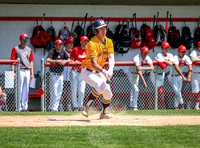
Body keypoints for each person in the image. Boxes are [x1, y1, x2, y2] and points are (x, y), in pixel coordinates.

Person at [80, 19, 115, 119]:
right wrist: (104, 71)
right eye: (101, 29)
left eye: (105, 28)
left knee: (108, 93)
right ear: (96, 31)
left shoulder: (108, 41)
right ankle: (86, 107)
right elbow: (93, 64)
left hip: (98, 72)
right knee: (101, 85)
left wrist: (111, 70)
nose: (104, 30)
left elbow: (111, 57)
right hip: (88, 71)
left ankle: (104, 113)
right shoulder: (92, 43)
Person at [46, 39, 73, 111]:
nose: (60, 46)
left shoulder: (63, 51)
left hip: (61, 74)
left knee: (59, 92)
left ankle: (55, 107)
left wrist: (65, 61)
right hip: (53, 74)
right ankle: (52, 106)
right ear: (55, 45)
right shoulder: (52, 51)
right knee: (54, 92)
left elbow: (69, 59)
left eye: (61, 44)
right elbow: (48, 60)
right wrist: (57, 61)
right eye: (58, 45)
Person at [10, 33, 34, 112]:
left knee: (26, 89)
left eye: (26, 39)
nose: (25, 41)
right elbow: (12, 61)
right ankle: (18, 106)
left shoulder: (29, 49)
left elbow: (31, 62)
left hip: (27, 70)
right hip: (19, 69)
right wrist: (13, 72)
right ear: (20, 39)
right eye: (24, 39)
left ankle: (25, 107)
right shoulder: (16, 48)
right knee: (19, 88)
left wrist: (32, 73)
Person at [150, 42, 173, 109]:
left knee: (159, 92)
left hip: (162, 74)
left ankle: (156, 106)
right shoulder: (159, 55)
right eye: (165, 48)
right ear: (162, 49)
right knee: (160, 91)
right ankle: (163, 106)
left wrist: (164, 61)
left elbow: (171, 63)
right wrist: (167, 62)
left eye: (168, 48)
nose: (167, 49)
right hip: (155, 74)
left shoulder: (170, 55)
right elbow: (162, 66)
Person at [169, 45, 192, 109]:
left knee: (178, 92)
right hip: (172, 77)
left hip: (179, 77)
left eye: (184, 52)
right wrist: (184, 77)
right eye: (182, 52)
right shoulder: (175, 57)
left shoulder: (186, 57)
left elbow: (190, 67)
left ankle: (176, 107)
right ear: (178, 51)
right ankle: (182, 104)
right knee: (177, 92)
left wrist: (189, 77)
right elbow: (176, 68)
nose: (183, 53)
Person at [70, 36, 88, 111]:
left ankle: (80, 105)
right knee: (74, 90)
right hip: (75, 71)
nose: (85, 42)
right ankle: (75, 106)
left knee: (81, 91)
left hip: (83, 72)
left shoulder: (89, 50)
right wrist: (74, 62)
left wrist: (80, 63)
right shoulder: (75, 49)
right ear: (80, 42)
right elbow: (70, 60)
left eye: (86, 41)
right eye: (84, 41)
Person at [59, 37, 74, 111]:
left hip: (71, 75)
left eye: (72, 43)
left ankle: (69, 106)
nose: (71, 45)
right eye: (69, 43)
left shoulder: (74, 51)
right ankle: (60, 106)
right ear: (66, 44)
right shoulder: (63, 51)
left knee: (69, 91)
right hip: (63, 74)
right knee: (61, 90)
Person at [189, 41, 200, 110]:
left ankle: (197, 105)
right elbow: (193, 58)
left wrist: (198, 58)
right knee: (195, 91)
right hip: (195, 74)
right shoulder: (194, 52)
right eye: (199, 47)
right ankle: (189, 103)